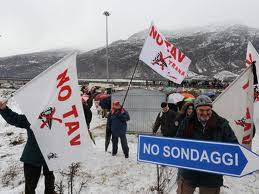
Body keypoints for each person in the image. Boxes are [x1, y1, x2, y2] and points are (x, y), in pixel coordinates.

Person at [176, 95, 238, 194]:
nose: (205, 113)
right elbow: (177, 142)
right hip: (189, 171)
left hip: (212, 175)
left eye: (208, 109)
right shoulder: (187, 122)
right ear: (196, 109)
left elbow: (234, 146)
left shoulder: (222, 124)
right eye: (201, 110)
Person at [0, 100, 55, 194]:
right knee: (30, 187)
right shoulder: (33, 118)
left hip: (51, 155)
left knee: (50, 182)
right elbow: (15, 119)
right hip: (32, 158)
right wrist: (4, 109)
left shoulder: (59, 120)